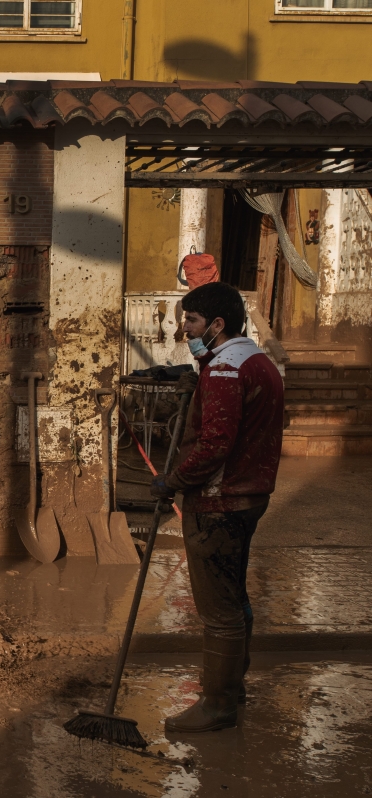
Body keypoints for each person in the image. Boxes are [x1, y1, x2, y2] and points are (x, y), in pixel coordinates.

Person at [151, 281, 285, 734]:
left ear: (217, 324)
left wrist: (172, 480)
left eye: (190, 321)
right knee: (234, 598)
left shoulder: (226, 370)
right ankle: (233, 691)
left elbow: (215, 446)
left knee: (218, 609)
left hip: (220, 501)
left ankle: (218, 705)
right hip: (250, 496)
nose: (183, 330)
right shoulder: (256, 361)